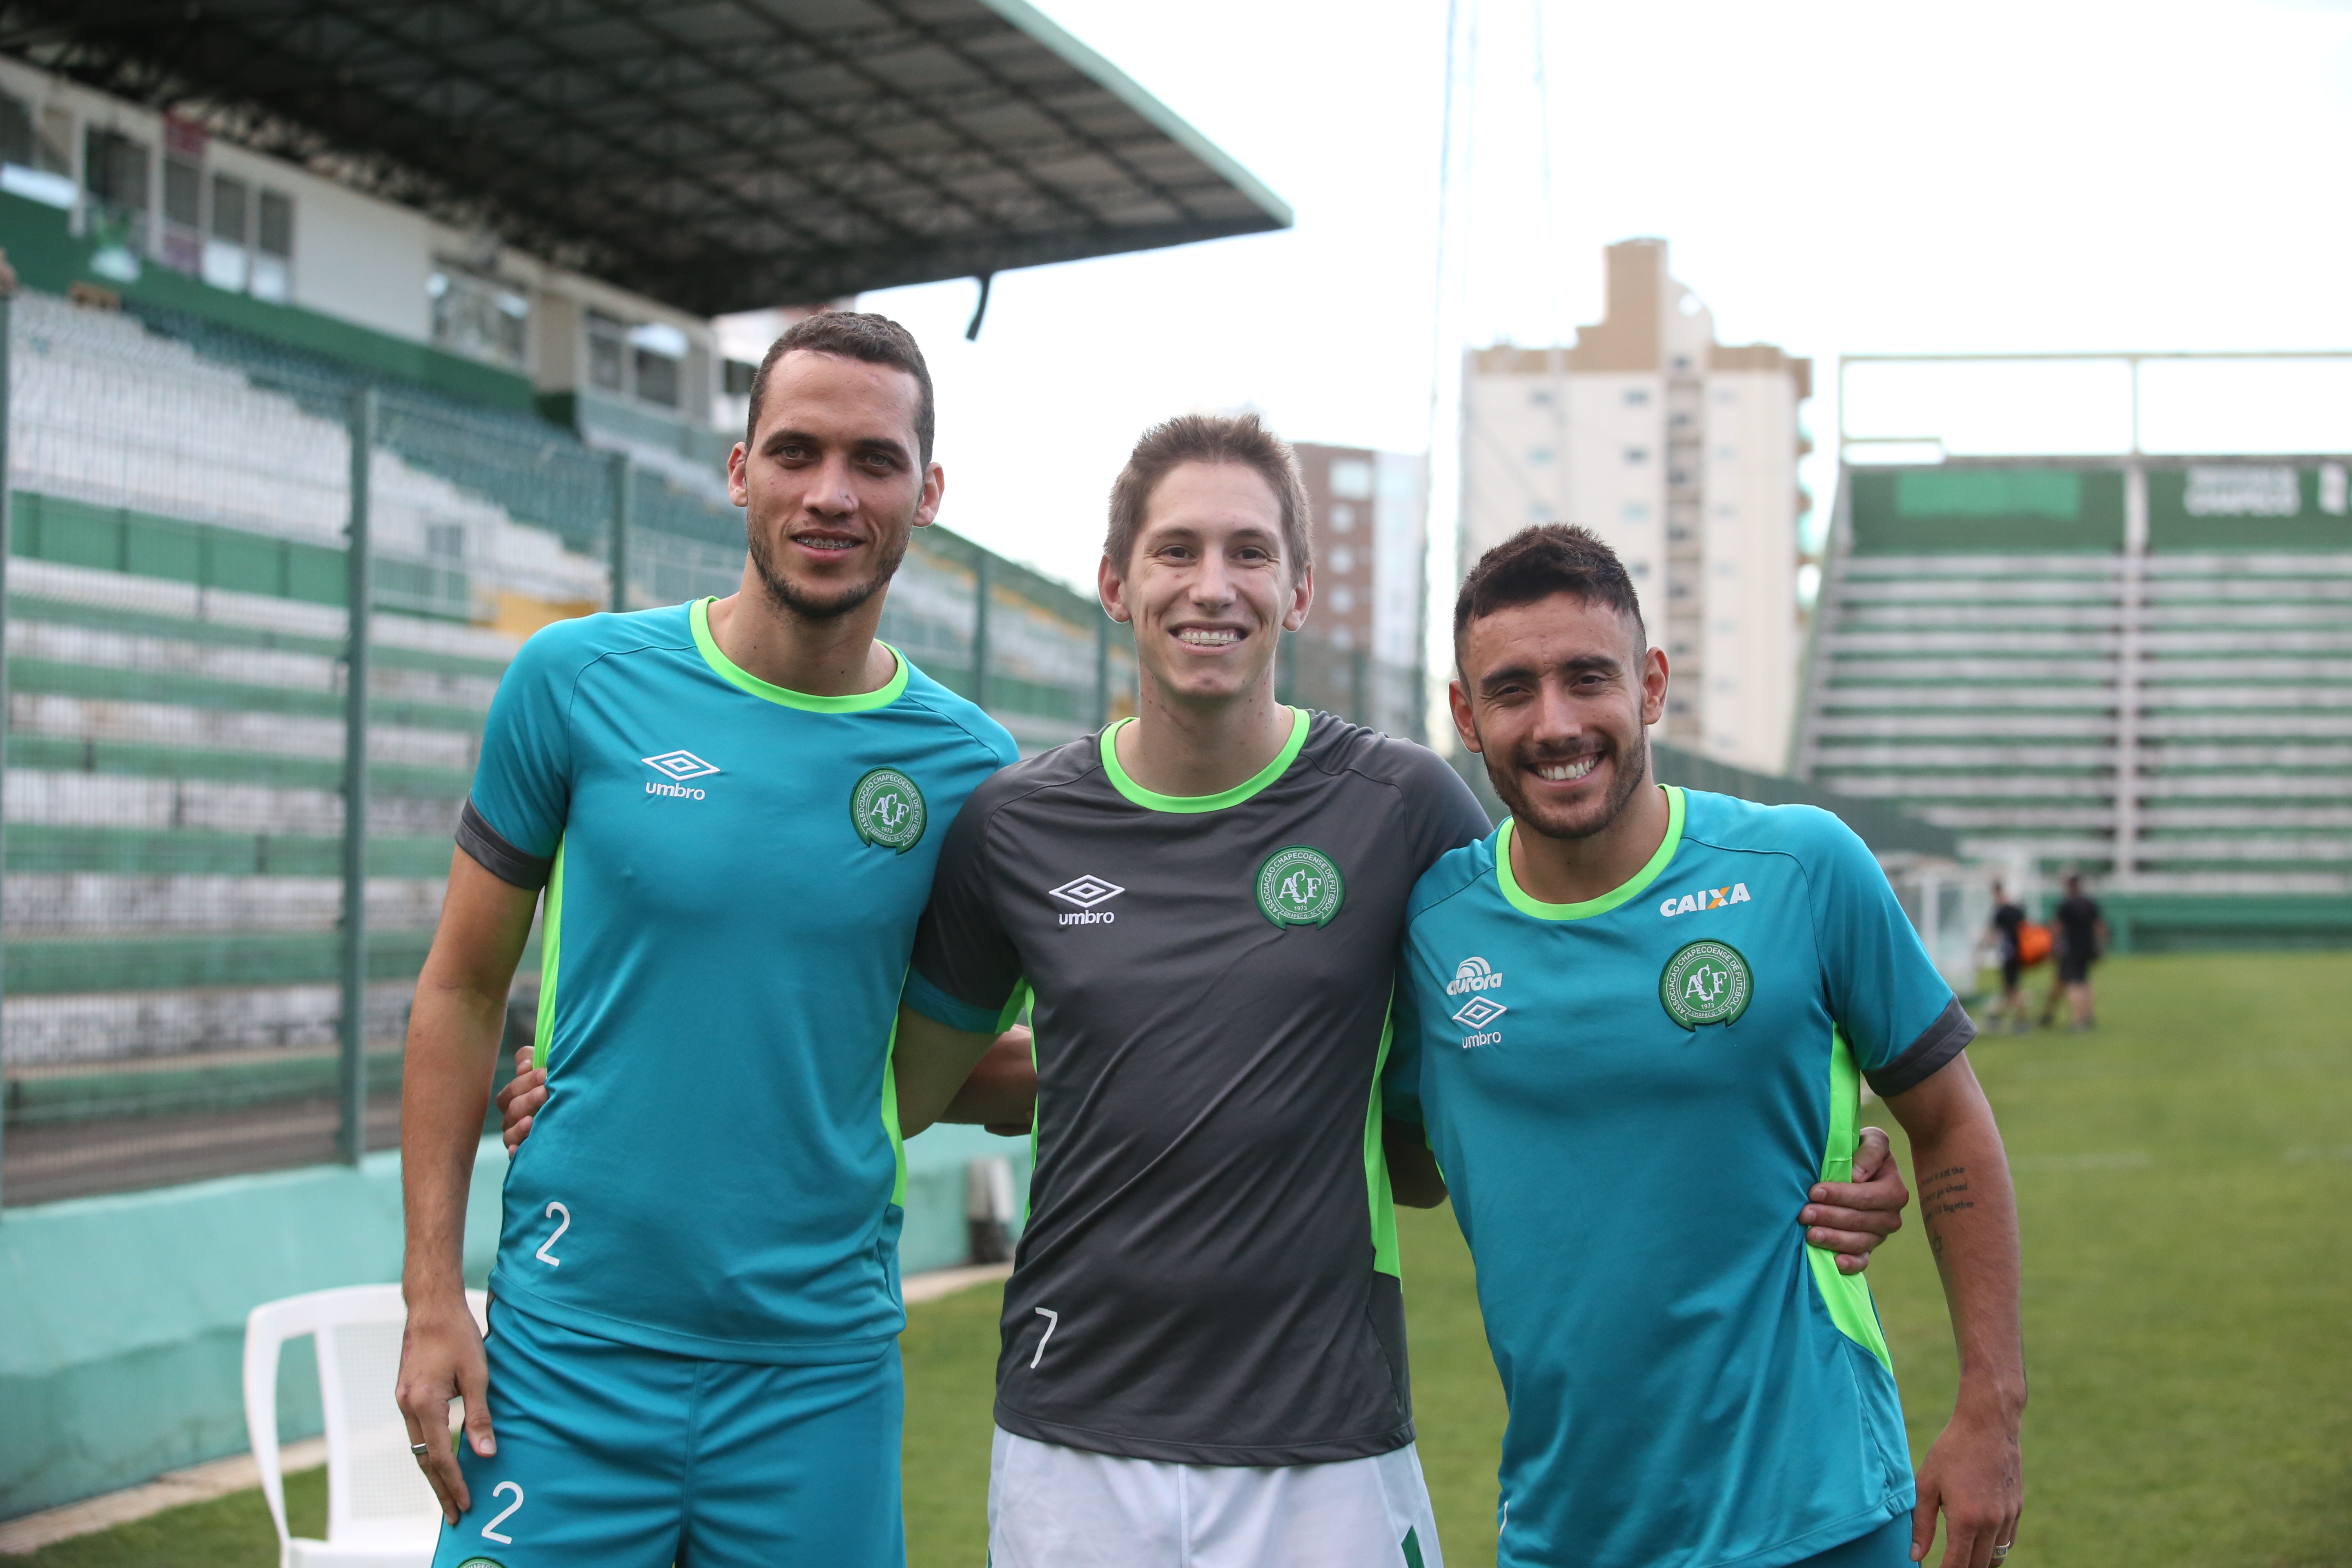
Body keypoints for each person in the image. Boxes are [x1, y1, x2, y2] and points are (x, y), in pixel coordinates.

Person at [502, 416, 1914, 1568]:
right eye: (1176, 549)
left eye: (1251, 551)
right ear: (1118, 582)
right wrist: (604, 1088)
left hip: (1329, 1439)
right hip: (1073, 1429)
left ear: (1300, 591)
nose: (1213, 583)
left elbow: (1548, 1007)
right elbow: (897, 1087)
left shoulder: (1405, 806)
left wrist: (1812, 1152)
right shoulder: (1014, 824)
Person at [393, 311, 1019, 1568]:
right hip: (567, 1345)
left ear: (929, 491)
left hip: (817, 1366)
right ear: (740, 471)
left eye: (874, 460)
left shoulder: (973, 774)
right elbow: (460, 991)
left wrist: (1212, 1066)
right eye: (795, 451)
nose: (830, 493)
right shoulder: (574, 681)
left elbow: (951, 1062)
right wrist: (429, 1297)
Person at [1387, 525, 2024, 1568]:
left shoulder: (1802, 865)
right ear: (1464, 714)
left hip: (1818, 1510)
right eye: (1510, 690)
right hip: (1565, 1527)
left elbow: (1948, 1122)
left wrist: (1989, 1411)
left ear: (1648, 684)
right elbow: (1407, 1157)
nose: (1554, 724)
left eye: (1585, 677)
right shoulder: (1426, 925)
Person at [2038, 873, 2107, 1031]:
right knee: (2084, 981)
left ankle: (2078, 1020)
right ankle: (2087, 1015)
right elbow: (2100, 927)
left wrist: (2053, 946)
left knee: (2074, 984)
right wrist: (2100, 946)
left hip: (2071, 949)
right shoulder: (2090, 903)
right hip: (2088, 948)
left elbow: (2058, 928)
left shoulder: (2066, 905)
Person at [1986, 882, 2029, 1034]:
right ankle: (1998, 1017)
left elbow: (1994, 933)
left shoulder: (2001, 912)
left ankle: (2020, 1020)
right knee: (2009, 987)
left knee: (2013, 988)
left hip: (2009, 953)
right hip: (2019, 951)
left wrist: (1982, 948)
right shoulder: (2016, 909)